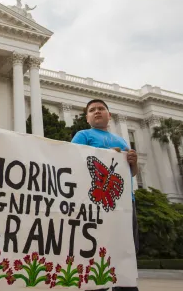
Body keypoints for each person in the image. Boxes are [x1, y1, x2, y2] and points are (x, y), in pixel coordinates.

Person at [70, 99, 139, 291]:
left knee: (126, 248)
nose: (97, 112)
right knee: (98, 248)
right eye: (92, 110)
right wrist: (104, 155)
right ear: (87, 118)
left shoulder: (122, 141)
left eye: (101, 109)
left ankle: (125, 286)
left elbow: (130, 174)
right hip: (96, 202)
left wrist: (134, 163)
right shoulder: (83, 135)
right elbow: (72, 160)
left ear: (109, 115)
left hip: (125, 202)